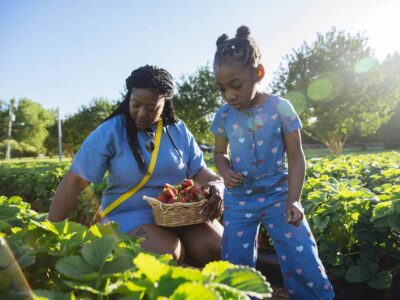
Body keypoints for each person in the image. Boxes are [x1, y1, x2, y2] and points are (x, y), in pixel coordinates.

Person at [49, 65, 224, 268]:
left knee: (219, 247)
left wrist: (217, 184)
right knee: (168, 254)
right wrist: (51, 232)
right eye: (136, 104)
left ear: (165, 103)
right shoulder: (111, 131)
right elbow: (74, 181)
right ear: (129, 97)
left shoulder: (179, 131)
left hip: (175, 216)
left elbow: (199, 171)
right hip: (125, 215)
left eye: (151, 108)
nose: (141, 113)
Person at [210, 26, 335, 299]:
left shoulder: (281, 108)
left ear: (258, 73)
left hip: (279, 195)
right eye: (222, 89)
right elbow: (219, 153)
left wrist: (294, 200)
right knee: (234, 262)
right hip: (239, 200)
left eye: (236, 85)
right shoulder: (223, 116)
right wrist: (225, 169)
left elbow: (296, 156)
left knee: (300, 252)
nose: (229, 95)